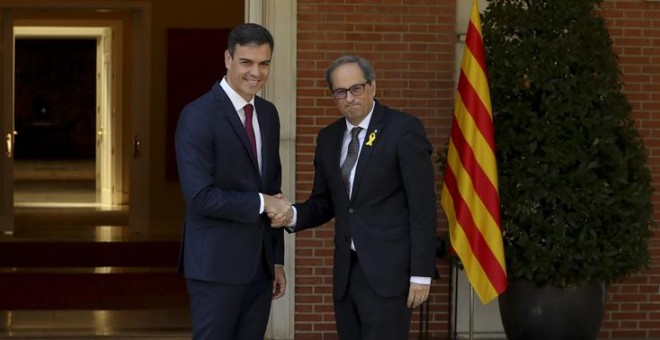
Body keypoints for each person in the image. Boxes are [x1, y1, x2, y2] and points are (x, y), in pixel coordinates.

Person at [273, 55, 438, 339]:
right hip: (347, 274)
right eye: (340, 92)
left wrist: (421, 274)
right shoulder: (328, 138)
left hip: (390, 274)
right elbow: (326, 202)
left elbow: (422, 207)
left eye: (356, 88)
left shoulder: (403, 129)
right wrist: (292, 215)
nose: (349, 98)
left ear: (372, 86)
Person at [175, 23, 292, 340]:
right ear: (228, 59)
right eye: (246, 62)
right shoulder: (197, 115)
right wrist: (262, 202)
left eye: (264, 63)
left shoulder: (268, 114)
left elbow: (273, 190)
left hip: (260, 266)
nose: (256, 72)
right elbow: (200, 196)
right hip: (215, 265)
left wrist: (277, 260)